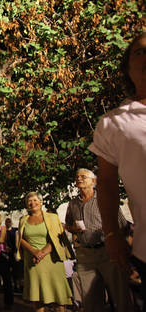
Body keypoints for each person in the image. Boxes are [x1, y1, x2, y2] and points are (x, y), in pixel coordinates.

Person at [88, 32, 146, 309]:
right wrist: (112, 235)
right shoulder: (113, 124)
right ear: (127, 69)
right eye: (139, 52)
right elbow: (108, 186)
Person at [65, 168, 133, 312]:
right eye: (77, 177)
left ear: (93, 181)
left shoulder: (105, 199)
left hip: (107, 252)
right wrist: (74, 229)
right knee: (91, 301)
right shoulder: (73, 204)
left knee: (120, 297)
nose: (79, 179)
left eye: (83, 176)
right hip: (85, 255)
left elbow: (122, 225)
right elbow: (69, 225)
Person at [17, 192, 72, 312]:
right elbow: (21, 240)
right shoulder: (23, 220)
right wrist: (34, 252)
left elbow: (58, 238)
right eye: (29, 201)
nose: (33, 203)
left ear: (41, 202)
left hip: (51, 260)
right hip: (33, 262)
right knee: (38, 300)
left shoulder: (52, 217)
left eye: (35, 200)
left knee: (58, 299)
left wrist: (41, 253)